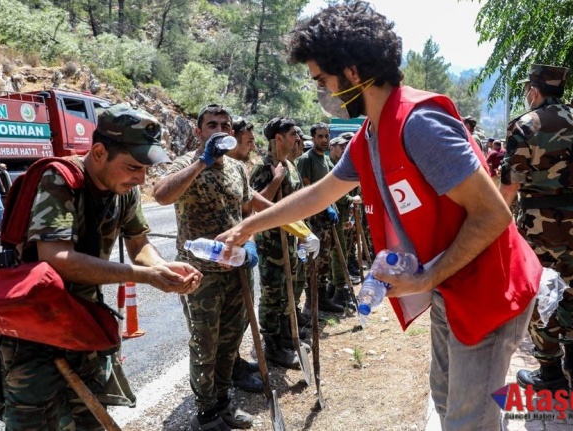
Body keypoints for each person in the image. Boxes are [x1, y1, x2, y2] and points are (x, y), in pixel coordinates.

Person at [215, 3, 541, 430]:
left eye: (321, 80)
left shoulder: (418, 125)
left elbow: (493, 214)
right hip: (452, 284)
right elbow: (321, 192)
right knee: (447, 403)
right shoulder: (372, 132)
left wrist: (426, 278)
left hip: (486, 289)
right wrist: (248, 225)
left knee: (471, 421)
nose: (320, 92)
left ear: (351, 73)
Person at [0, 104, 203, 430]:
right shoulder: (59, 180)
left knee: (90, 420)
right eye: (132, 167)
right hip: (34, 333)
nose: (140, 178)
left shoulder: (123, 190)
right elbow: (56, 259)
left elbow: (139, 244)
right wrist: (144, 275)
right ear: (99, 152)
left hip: (83, 324)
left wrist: (163, 267)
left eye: (144, 169)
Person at [152, 104, 261, 431]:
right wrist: (203, 161)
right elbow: (161, 195)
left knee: (229, 342)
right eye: (211, 124)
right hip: (199, 274)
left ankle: (224, 403)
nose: (219, 130)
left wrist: (250, 242)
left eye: (225, 126)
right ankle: (207, 412)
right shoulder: (187, 164)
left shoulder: (238, 169)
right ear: (199, 131)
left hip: (236, 270)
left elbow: (245, 212)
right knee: (205, 342)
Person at [499, 64, 573, 393]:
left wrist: (499, 222)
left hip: (539, 222)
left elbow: (509, 186)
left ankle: (549, 370)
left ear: (534, 89)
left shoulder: (525, 125)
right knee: (572, 288)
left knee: (542, 291)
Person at [248, 116, 305, 369]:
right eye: (292, 134)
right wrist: (276, 180)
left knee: (288, 290)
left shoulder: (290, 165)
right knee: (272, 292)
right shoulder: (264, 168)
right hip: (271, 242)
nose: (297, 139)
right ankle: (271, 344)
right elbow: (254, 205)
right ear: (278, 138)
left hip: (290, 238)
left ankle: (285, 335)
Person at [225, 115, 265, 393]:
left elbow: (248, 207)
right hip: (215, 257)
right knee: (219, 327)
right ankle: (225, 379)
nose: (252, 146)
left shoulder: (239, 168)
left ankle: (235, 362)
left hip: (240, 252)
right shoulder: (206, 164)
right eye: (248, 141)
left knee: (238, 317)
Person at [296, 122, 344, 313]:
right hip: (313, 219)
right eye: (320, 136)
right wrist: (325, 206)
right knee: (314, 262)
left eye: (326, 136)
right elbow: (307, 191)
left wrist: (331, 207)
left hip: (325, 219)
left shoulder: (324, 160)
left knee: (324, 261)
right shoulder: (307, 160)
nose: (324, 140)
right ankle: (311, 303)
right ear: (313, 138)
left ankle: (322, 299)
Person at [328, 132, 362, 303]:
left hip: (345, 214)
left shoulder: (344, 163)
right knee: (337, 252)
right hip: (335, 214)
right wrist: (350, 199)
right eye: (341, 146)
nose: (344, 149)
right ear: (332, 148)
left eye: (346, 146)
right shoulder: (331, 164)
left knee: (345, 248)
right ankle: (338, 288)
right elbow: (334, 190)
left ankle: (336, 286)